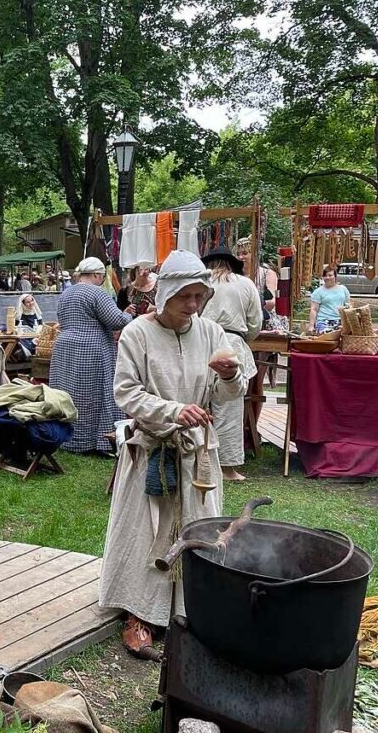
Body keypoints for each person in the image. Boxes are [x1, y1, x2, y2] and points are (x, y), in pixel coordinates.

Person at [99, 249, 245, 657]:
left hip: (197, 455)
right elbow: (126, 392)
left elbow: (226, 393)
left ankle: (192, 609)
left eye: (200, 297)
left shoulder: (212, 333)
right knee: (147, 533)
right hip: (153, 448)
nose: (194, 306)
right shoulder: (137, 333)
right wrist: (173, 411)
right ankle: (138, 614)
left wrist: (231, 377)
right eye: (186, 297)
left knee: (200, 529)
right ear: (166, 295)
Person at [50, 257, 132, 454]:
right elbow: (115, 321)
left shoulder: (66, 293)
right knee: (93, 395)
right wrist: (128, 315)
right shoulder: (97, 293)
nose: (103, 281)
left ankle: (65, 437)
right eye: (103, 277)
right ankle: (95, 442)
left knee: (67, 393)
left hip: (64, 347)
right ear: (96, 275)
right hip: (91, 348)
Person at [199, 245, 262, 482]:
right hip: (231, 342)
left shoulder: (202, 282)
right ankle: (226, 468)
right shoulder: (245, 284)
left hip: (201, 341)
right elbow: (255, 322)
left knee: (198, 400)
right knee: (229, 407)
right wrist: (243, 338)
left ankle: (197, 457)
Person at [309, 266, 351, 334]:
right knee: (329, 339)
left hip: (340, 321)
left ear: (335, 276)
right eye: (325, 276)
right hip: (323, 321)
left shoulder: (343, 289)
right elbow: (314, 309)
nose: (327, 278)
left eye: (330, 275)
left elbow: (348, 305)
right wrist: (311, 326)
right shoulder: (318, 292)